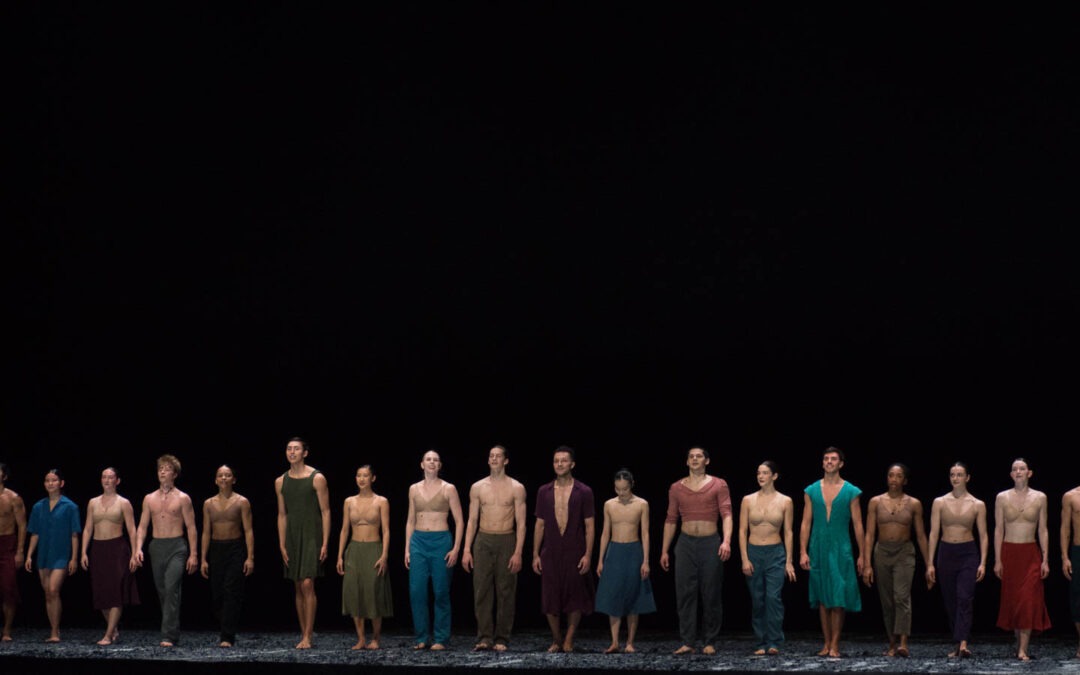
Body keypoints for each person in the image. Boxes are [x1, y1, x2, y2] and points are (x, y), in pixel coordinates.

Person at [659, 447, 733, 655]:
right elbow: (671, 519)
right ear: (686, 462)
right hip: (685, 544)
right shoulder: (676, 488)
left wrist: (726, 541)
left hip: (710, 543)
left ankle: (709, 640)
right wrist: (665, 550)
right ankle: (688, 641)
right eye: (691, 456)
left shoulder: (719, 484)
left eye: (699, 456)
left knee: (711, 593)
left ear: (707, 461)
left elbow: (726, 513)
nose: (694, 459)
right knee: (685, 594)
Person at [799, 446, 864, 658]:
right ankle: (826, 643)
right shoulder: (811, 490)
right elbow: (806, 522)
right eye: (826, 458)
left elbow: (858, 524)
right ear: (822, 463)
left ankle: (835, 644)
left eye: (833, 459)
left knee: (838, 596)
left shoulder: (851, 491)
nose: (829, 462)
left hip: (840, 547)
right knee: (822, 597)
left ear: (841, 463)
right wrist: (802, 551)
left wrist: (863, 554)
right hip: (817, 547)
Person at [461, 445, 526, 652]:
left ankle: (502, 638)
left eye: (498, 456)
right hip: (483, 539)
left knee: (506, 591)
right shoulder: (478, 487)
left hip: (507, 538)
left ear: (506, 460)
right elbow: (471, 520)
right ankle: (484, 637)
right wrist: (466, 549)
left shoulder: (516, 487)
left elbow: (522, 523)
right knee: (481, 590)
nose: (494, 459)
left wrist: (518, 552)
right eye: (491, 456)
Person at [862, 463, 930, 658]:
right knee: (887, 600)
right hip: (881, 552)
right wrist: (867, 564)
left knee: (901, 596)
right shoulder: (875, 501)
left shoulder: (914, 503)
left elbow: (921, 535)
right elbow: (869, 534)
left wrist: (929, 564)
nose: (894, 479)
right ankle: (892, 642)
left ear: (905, 480)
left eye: (898, 476)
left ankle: (903, 643)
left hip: (904, 552)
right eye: (890, 475)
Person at [532, 445, 595, 653]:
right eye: (556, 461)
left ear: (572, 464)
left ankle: (569, 639)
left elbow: (589, 525)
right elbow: (539, 524)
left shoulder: (584, 491)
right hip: (550, 549)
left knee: (575, 595)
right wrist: (535, 554)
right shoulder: (544, 491)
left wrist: (588, 554)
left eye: (563, 460)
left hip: (574, 548)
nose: (559, 464)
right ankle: (556, 639)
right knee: (549, 596)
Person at [134, 454, 199, 647]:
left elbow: (192, 527)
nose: (162, 471)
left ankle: (168, 635)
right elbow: (142, 527)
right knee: (163, 591)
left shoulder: (183, 498)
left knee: (171, 588)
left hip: (177, 546)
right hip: (157, 546)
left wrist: (194, 554)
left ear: (175, 473)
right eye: (160, 468)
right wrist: (138, 548)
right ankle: (173, 629)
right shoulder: (149, 498)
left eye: (167, 468)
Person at [925, 461, 988, 659]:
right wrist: (929, 563)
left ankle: (963, 643)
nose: (955, 478)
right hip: (946, 552)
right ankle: (958, 641)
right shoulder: (940, 502)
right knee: (951, 599)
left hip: (968, 552)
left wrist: (983, 562)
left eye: (960, 474)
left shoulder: (977, 504)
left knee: (965, 598)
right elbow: (933, 533)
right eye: (952, 474)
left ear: (967, 477)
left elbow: (984, 535)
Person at [275, 437, 331, 650]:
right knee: (297, 585)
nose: (292, 452)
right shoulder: (280, 481)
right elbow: (282, 514)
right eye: (288, 448)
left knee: (308, 583)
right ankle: (304, 633)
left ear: (305, 452)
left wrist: (325, 542)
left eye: (296, 449)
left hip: (311, 534)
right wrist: (281, 543)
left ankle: (308, 635)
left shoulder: (317, 478)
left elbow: (325, 511)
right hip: (292, 535)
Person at [405, 450, 464, 650]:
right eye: (428, 459)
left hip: (441, 541)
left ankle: (441, 638)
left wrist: (456, 548)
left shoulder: (449, 488)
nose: (432, 462)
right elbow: (410, 520)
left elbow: (459, 520)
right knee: (417, 591)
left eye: (436, 460)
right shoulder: (413, 489)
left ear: (440, 465)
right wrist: (407, 549)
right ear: (422, 464)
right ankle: (421, 637)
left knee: (441, 591)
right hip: (418, 541)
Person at [993, 458, 1050, 661]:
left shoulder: (1040, 497)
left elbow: (1043, 529)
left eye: (1022, 468)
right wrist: (998, 560)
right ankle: (1019, 643)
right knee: (1014, 602)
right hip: (1009, 552)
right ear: (1011, 474)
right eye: (1015, 469)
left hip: (1030, 554)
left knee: (1028, 601)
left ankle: (1022, 649)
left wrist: (1045, 559)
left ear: (1029, 473)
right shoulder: (1001, 497)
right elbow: (998, 529)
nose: (1018, 471)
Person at [738, 461, 795, 656]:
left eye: (765, 473)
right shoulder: (747, 500)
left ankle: (774, 641)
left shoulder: (785, 501)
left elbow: (788, 532)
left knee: (773, 598)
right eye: (758, 473)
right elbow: (742, 530)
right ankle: (760, 641)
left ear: (774, 476)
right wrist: (744, 558)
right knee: (758, 599)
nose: (760, 476)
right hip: (754, 552)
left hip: (775, 553)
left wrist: (789, 561)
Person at [595, 468, 655, 654]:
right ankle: (614, 642)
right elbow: (605, 533)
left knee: (633, 597)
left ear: (631, 486)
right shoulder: (609, 505)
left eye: (624, 489)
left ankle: (630, 642)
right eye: (617, 489)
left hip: (633, 551)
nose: (621, 493)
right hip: (614, 552)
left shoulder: (642, 504)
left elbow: (645, 533)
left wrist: (646, 560)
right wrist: (600, 560)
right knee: (613, 596)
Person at [80, 467, 139, 646]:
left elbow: (131, 529)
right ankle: (113, 628)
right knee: (102, 593)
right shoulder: (92, 502)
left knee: (116, 592)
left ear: (117, 481)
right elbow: (88, 528)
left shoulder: (124, 503)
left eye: (111, 477)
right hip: (98, 549)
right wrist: (83, 551)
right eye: (104, 477)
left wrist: (135, 553)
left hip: (117, 549)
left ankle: (107, 634)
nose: (107, 480)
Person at [336, 465, 392, 651]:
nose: (361, 479)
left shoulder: (381, 501)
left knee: (373, 593)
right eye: (358, 475)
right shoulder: (349, 501)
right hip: (354, 549)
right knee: (355, 594)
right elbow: (344, 529)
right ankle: (360, 638)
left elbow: (386, 530)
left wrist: (384, 555)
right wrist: (340, 556)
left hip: (373, 549)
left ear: (373, 478)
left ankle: (376, 638)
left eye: (365, 476)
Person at [200, 465, 254, 647]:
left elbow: (248, 530)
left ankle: (227, 636)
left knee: (232, 591)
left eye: (228, 475)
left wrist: (250, 557)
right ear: (215, 480)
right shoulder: (208, 504)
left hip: (235, 548)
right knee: (217, 594)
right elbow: (206, 532)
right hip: (216, 549)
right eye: (220, 475)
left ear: (234, 479)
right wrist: (203, 559)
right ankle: (225, 627)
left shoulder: (242, 502)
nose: (224, 478)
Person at [25, 468, 80, 643]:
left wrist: (74, 558)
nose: (50, 483)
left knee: (54, 590)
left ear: (61, 483)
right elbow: (35, 533)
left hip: (61, 554)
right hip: (43, 554)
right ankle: (52, 630)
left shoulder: (70, 507)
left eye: (54, 480)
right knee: (47, 593)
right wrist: (28, 555)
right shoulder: (38, 506)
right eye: (47, 480)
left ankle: (56, 632)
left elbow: (74, 534)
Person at [0, 462, 27, 641]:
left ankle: (7, 630)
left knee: (8, 588)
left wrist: (20, 551)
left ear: (5, 476)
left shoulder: (13, 498)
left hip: (6, 544)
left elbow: (22, 525)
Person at [1062, 483, 1080, 659]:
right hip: (1078, 550)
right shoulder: (1071, 496)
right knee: (1077, 598)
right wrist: (1065, 557)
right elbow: (1065, 527)